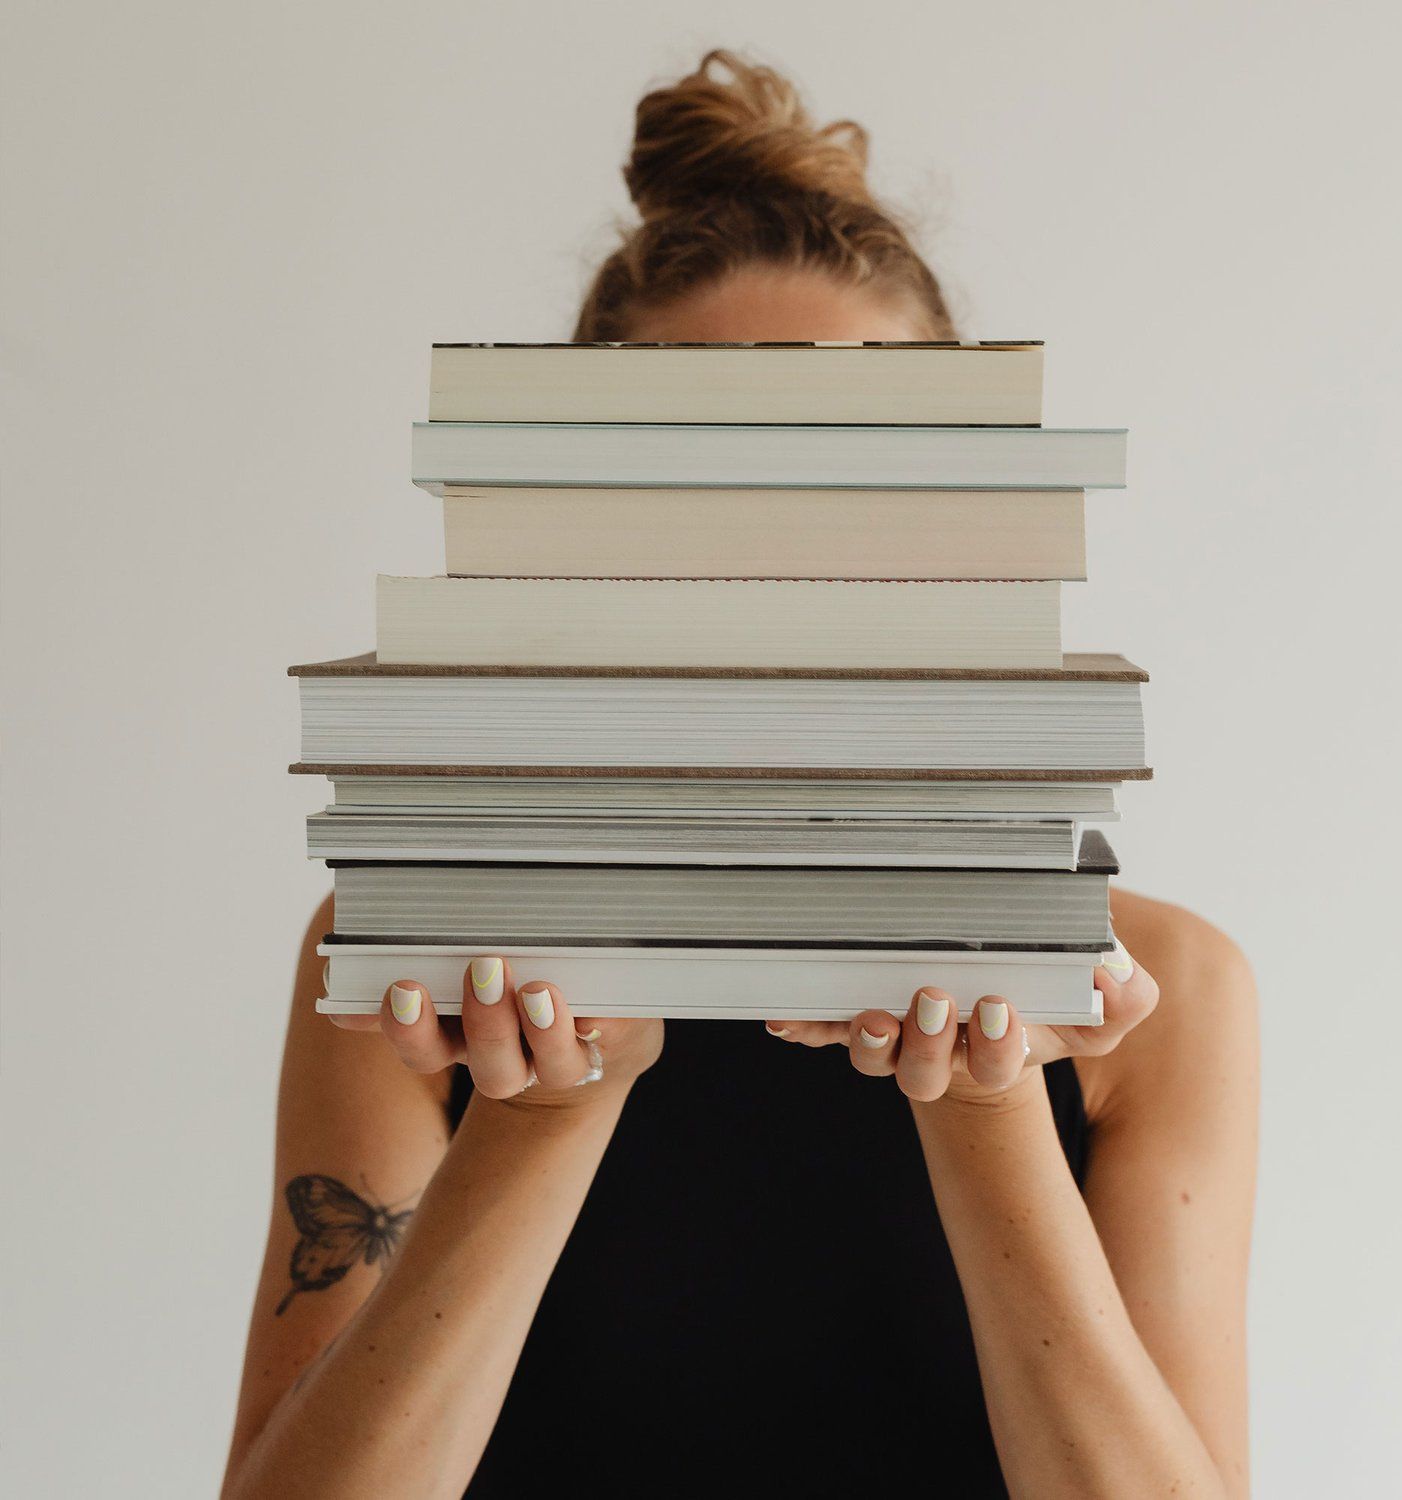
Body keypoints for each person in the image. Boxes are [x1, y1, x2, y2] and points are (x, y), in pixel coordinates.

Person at [223, 50, 1257, 1499]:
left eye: (859, 481)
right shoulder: (414, 963)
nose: (790, 568)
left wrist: (986, 1115)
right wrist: (545, 1114)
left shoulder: (1156, 994)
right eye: (711, 488)